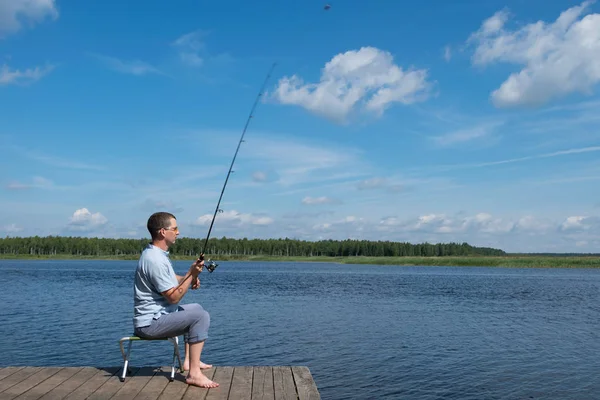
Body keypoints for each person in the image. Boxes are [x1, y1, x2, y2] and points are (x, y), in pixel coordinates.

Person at [133, 211, 219, 388]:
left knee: (196, 308)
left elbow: (170, 280)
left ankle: (189, 362)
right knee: (201, 316)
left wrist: (189, 277)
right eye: (175, 228)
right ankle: (194, 374)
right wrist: (190, 275)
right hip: (149, 324)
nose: (178, 232)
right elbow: (173, 298)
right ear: (163, 232)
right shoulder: (154, 260)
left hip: (158, 316)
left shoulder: (156, 254)